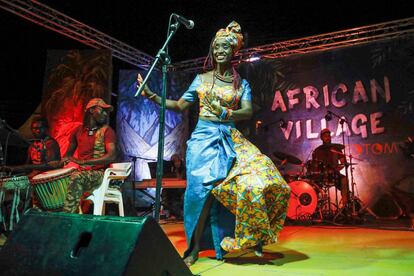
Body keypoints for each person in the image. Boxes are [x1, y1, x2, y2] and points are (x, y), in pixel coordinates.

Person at [137, 21, 290, 266]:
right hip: (203, 139)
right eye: (216, 47)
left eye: (224, 48)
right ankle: (193, 249)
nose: (219, 51)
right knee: (199, 194)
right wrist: (153, 96)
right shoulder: (200, 80)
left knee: (261, 180)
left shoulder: (242, 84)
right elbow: (179, 105)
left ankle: (251, 237)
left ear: (233, 52)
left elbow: (248, 110)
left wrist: (228, 114)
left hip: (230, 138)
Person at [62, 98, 117, 213]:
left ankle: (67, 218)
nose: (106, 114)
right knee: (62, 180)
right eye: (102, 110)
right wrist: (59, 163)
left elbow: (112, 155)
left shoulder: (107, 131)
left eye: (106, 111)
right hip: (82, 172)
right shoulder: (77, 131)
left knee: (76, 177)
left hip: (99, 174)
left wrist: (86, 162)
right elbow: (67, 156)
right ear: (92, 110)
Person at [312, 128, 349, 205]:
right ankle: (315, 207)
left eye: (329, 136)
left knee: (344, 180)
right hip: (321, 176)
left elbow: (343, 162)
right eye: (325, 136)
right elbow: (314, 166)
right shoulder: (317, 150)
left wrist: (343, 164)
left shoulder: (336, 148)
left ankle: (346, 205)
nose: (328, 138)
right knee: (312, 187)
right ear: (321, 138)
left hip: (334, 175)